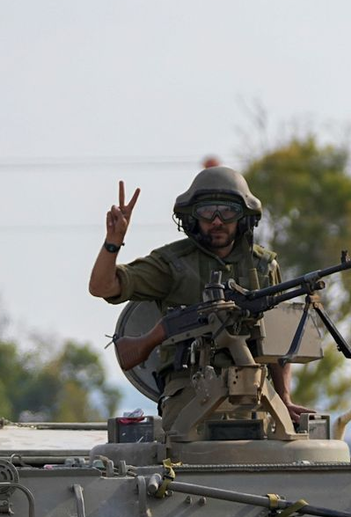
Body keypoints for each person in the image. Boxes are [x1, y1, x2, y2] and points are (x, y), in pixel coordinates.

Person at [88, 165, 309, 422]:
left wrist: (284, 399)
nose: (217, 221)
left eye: (228, 211)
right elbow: (102, 287)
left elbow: (278, 343)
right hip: (189, 390)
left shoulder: (262, 266)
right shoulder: (172, 264)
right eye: (207, 212)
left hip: (253, 390)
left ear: (244, 216)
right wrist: (113, 241)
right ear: (192, 217)